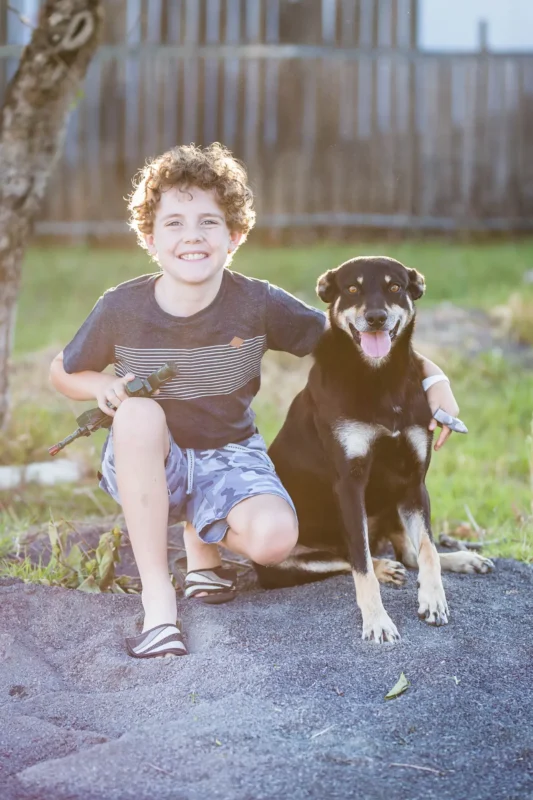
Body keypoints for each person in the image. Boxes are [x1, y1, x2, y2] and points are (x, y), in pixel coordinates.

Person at [49, 142, 460, 659]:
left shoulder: (256, 302)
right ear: (149, 238)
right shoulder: (121, 306)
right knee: (138, 414)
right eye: (174, 223)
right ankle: (160, 600)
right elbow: (61, 371)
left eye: (209, 222)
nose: (192, 236)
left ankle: (204, 549)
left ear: (235, 235)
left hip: (231, 455)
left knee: (274, 540)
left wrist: (435, 380)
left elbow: (356, 345)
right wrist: (97, 387)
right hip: (150, 458)